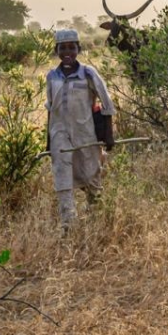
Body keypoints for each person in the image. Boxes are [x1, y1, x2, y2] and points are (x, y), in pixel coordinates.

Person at [45, 29, 115, 230]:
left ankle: (96, 217)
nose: (67, 52)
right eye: (63, 48)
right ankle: (68, 223)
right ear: (56, 50)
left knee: (91, 174)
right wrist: (49, 142)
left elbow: (107, 104)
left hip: (85, 132)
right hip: (58, 133)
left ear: (78, 49)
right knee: (62, 174)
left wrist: (108, 136)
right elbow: (51, 108)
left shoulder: (88, 74)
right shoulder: (52, 76)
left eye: (71, 47)